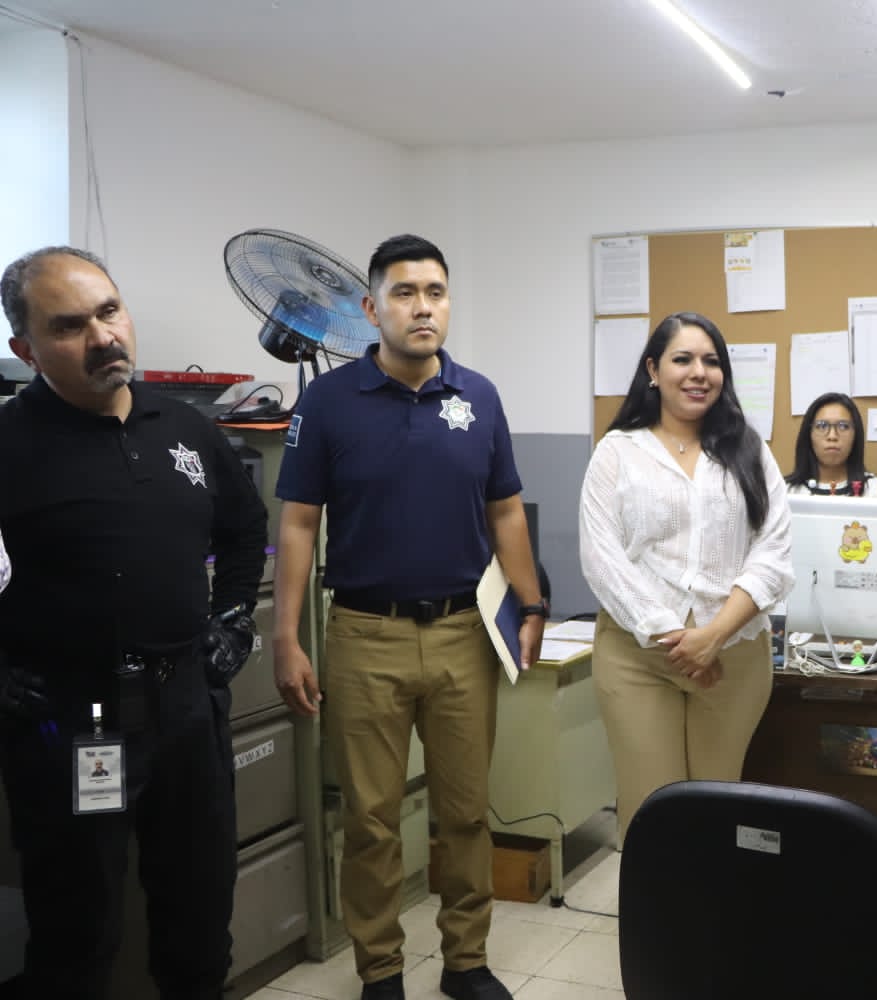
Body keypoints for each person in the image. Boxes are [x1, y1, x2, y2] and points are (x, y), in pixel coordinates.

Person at [273, 234, 543, 1000]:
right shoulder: (327, 403)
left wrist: (534, 604)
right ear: (370, 308)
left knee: (463, 815)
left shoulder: (479, 396)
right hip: (365, 635)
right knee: (372, 823)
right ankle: (381, 971)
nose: (422, 306)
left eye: (435, 292)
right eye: (404, 292)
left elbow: (507, 510)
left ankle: (465, 962)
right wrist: (286, 636)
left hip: (465, 633)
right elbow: (296, 523)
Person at [0, 246, 266, 999]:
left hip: (186, 708)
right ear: (26, 350)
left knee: (198, 912)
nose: (103, 336)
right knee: (79, 928)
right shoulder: (9, 446)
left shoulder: (184, 428)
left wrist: (235, 617)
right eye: (70, 325)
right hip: (78, 720)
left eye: (110, 311)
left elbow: (247, 531)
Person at [579, 311, 793, 839]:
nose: (699, 372)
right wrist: (676, 641)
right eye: (683, 359)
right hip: (638, 656)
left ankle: (713, 923)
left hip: (735, 655)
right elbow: (602, 557)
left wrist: (714, 636)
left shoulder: (748, 449)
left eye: (712, 361)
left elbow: (774, 551)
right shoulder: (618, 452)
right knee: (654, 812)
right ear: (653, 369)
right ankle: (656, 923)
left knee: (720, 811)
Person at [784, 391, 877, 497]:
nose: (832, 436)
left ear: (856, 435)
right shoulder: (786, 491)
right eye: (822, 426)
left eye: (843, 426)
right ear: (809, 434)